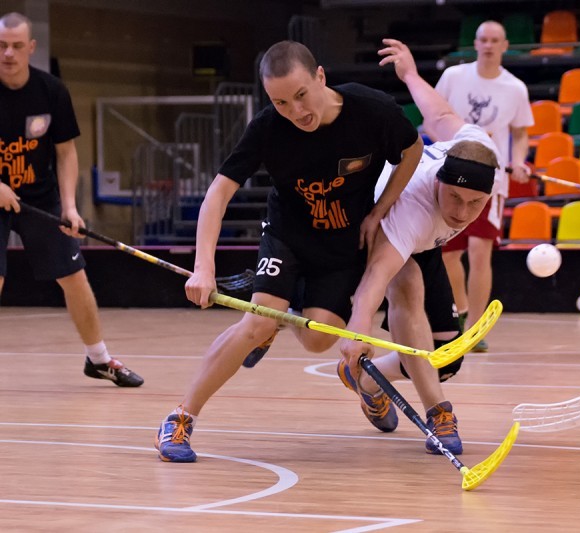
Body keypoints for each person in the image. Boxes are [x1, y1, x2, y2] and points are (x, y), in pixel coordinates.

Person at [155, 40, 423, 462]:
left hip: (342, 246)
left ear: (320, 77)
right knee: (257, 322)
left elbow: (412, 150)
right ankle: (180, 417)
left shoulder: (371, 111)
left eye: (301, 95)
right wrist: (203, 267)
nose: (296, 111)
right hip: (287, 236)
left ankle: (286, 317)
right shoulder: (267, 128)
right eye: (280, 102)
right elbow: (217, 194)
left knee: (318, 340)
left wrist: (380, 210)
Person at [338, 38, 501, 455]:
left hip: (424, 242)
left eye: (475, 203)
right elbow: (376, 276)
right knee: (407, 287)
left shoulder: (482, 150)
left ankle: (367, 379)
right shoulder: (413, 207)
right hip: (374, 228)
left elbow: (441, 114)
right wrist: (358, 331)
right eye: (454, 198)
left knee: (446, 357)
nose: (462, 213)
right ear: (439, 180)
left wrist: (410, 74)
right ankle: (439, 415)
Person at [0, 12, 142, 387]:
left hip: (39, 195)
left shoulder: (51, 91)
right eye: (2, 46)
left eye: (16, 46)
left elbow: (65, 152)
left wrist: (69, 207)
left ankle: (99, 359)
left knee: (74, 277)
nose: (8, 53)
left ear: (31, 48)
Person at [433, 20, 533, 352]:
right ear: (475, 44)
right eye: (483, 40)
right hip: (451, 175)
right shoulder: (453, 77)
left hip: (492, 180)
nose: (488, 45)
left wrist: (519, 161)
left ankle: (476, 329)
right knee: (448, 253)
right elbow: (432, 118)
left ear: (504, 46)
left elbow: (520, 133)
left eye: (494, 40)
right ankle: (461, 312)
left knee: (479, 250)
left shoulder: (515, 88)